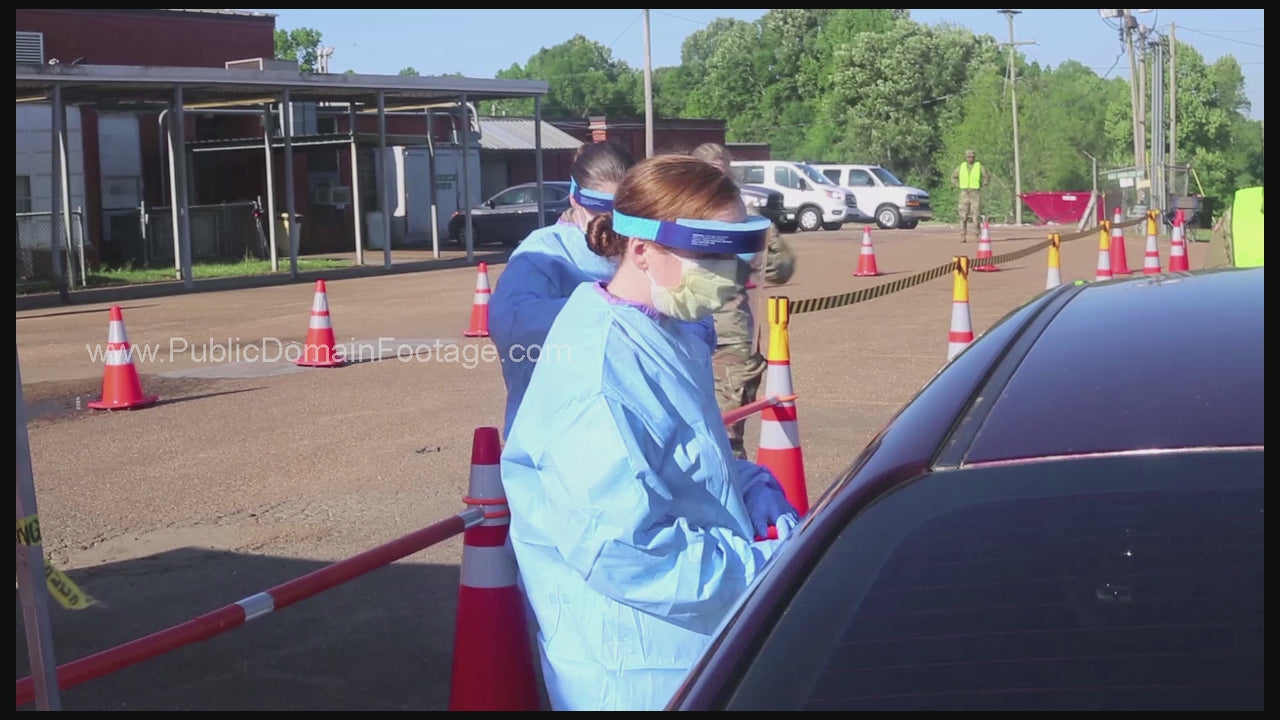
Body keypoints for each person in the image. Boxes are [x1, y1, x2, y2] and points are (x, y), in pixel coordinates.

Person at [500, 155, 799, 711]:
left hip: (697, 641)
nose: (731, 273)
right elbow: (627, 552)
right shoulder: (598, 374)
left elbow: (693, 452)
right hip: (636, 667)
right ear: (641, 249)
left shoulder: (668, 327)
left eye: (737, 254)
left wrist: (755, 494)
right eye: (709, 254)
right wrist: (764, 568)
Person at [488, 141, 717, 437]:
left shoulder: (645, 244)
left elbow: (699, 329)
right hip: (563, 430)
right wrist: (616, 310)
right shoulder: (544, 252)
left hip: (657, 427)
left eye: (620, 210)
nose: (609, 221)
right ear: (574, 197)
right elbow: (511, 324)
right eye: (598, 207)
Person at [690, 142, 796, 460]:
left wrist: (760, 240)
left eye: (721, 178)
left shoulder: (745, 220)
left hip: (727, 337)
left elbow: (781, 269)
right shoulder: (675, 216)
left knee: (727, 435)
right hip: (682, 331)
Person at [951, 149, 989, 243]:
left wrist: (984, 184)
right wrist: (958, 185)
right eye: (968, 156)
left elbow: (986, 176)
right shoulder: (961, 166)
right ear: (966, 157)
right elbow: (953, 177)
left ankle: (976, 235)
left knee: (976, 215)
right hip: (964, 193)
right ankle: (962, 235)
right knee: (963, 216)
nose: (970, 158)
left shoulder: (979, 166)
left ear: (974, 157)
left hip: (975, 193)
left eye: (971, 156)